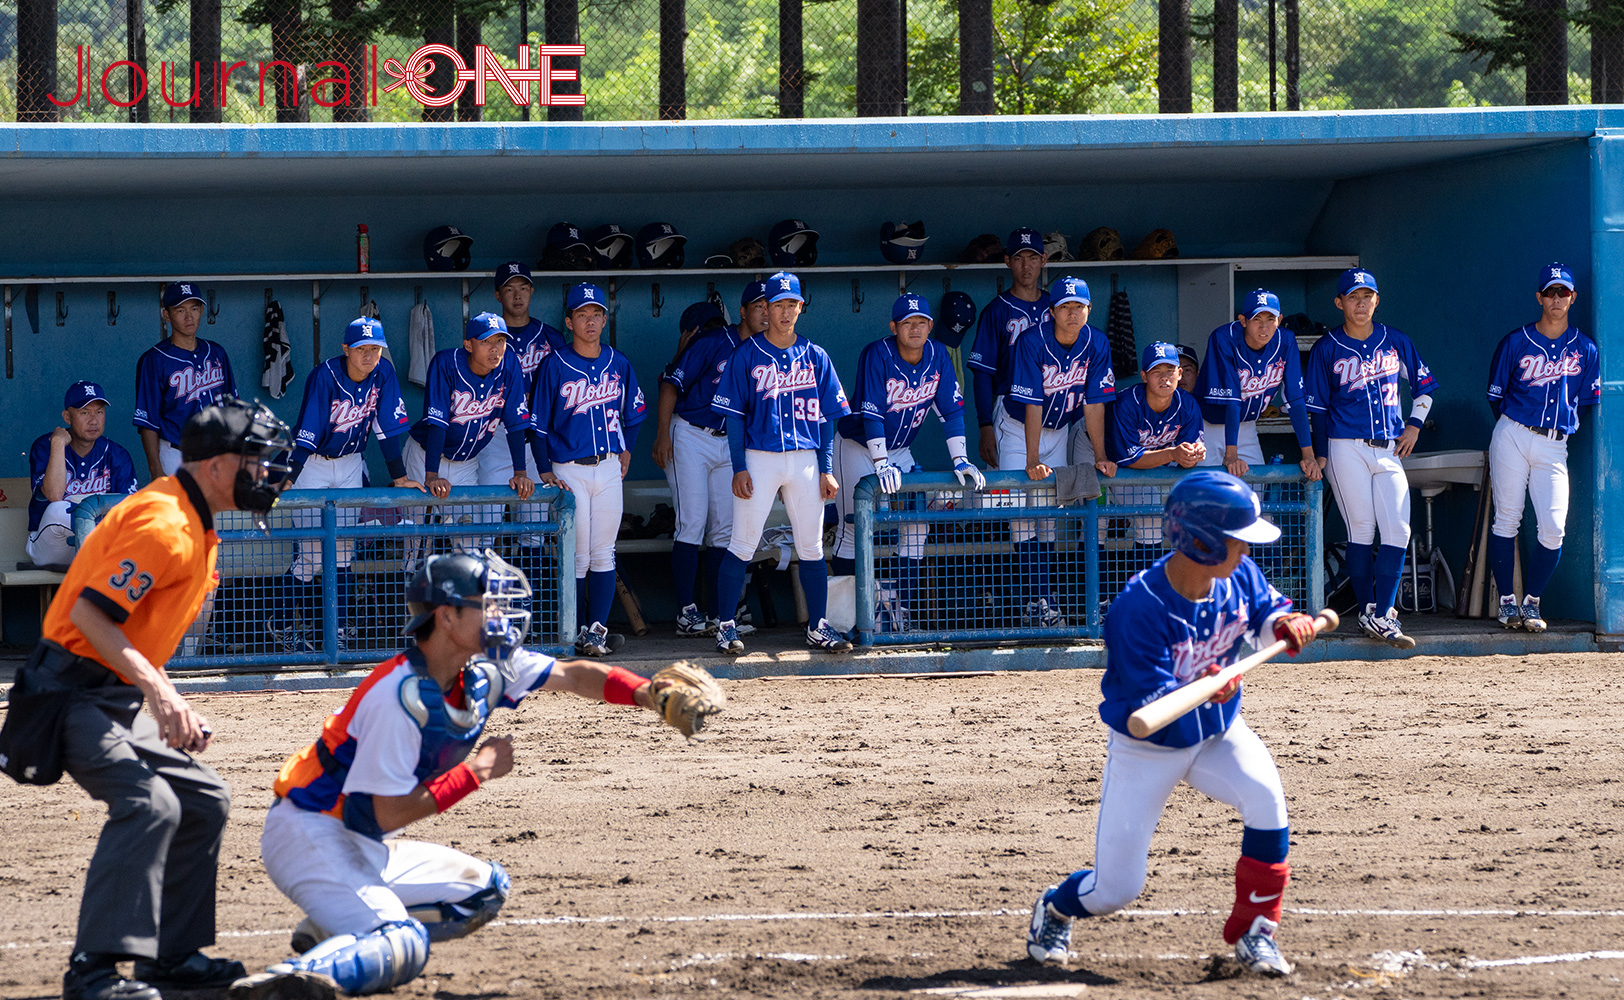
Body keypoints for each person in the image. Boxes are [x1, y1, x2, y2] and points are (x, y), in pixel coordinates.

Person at [244, 549, 688, 999]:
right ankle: (281, 983)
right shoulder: (399, 696)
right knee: (403, 942)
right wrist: (476, 772)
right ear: (447, 616)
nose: (500, 614)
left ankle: (328, 931)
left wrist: (649, 694)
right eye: (487, 604)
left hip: (359, 838)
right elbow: (387, 813)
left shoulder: (483, 668)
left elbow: (574, 675)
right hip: (309, 832)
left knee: (482, 890)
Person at [19, 398, 290, 1000]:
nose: (268, 472)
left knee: (203, 797)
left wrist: (158, 694)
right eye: (256, 460)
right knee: (150, 805)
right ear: (218, 465)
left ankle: (170, 957)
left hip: (110, 693)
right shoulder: (163, 522)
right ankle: (91, 972)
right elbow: (92, 614)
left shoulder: (197, 520)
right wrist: (164, 695)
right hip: (68, 691)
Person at [1024, 471, 1320, 978]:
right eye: (1237, 541)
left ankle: (1256, 934)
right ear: (1202, 542)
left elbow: (1266, 612)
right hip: (1150, 747)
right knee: (1116, 889)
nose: (1246, 552)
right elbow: (1147, 712)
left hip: (1216, 733)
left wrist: (1282, 625)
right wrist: (1204, 684)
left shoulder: (1237, 575)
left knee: (1268, 802)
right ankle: (1055, 909)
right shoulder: (1138, 608)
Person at [709, 271, 852, 654]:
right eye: (778, 304)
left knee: (811, 547)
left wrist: (826, 468)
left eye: (792, 304)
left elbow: (827, 418)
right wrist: (738, 465)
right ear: (765, 309)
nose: (786, 311)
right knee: (742, 543)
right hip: (758, 457)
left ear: (800, 307)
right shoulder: (747, 354)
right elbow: (735, 417)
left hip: (805, 458)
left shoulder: (816, 355)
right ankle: (725, 625)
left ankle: (818, 626)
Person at [266, 317, 422, 654]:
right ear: (346, 349)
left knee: (342, 553)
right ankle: (279, 623)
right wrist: (290, 478)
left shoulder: (383, 373)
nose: (369, 356)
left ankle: (337, 630)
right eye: (362, 349)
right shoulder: (325, 375)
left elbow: (387, 428)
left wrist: (398, 476)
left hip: (351, 462)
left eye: (375, 349)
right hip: (313, 465)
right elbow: (306, 434)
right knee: (310, 556)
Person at [830, 292, 985, 631]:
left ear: (930, 326)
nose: (915, 329)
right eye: (908, 323)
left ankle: (901, 612)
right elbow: (871, 413)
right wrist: (880, 462)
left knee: (916, 524)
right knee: (852, 528)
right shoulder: (877, 353)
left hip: (900, 449)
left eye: (922, 323)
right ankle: (847, 619)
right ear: (894, 327)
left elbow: (951, 411)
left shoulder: (938, 355)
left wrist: (960, 459)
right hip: (857, 446)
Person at [1303, 268, 1438, 649]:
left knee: (1398, 529)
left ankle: (1381, 614)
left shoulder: (1396, 340)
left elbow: (1425, 388)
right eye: (1353, 297)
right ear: (1340, 303)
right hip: (1345, 445)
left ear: (1377, 300)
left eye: (1367, 296)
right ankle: (1370, 611)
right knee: (1361, 529)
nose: (1361, 303)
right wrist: (1319, 455)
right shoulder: (1327, 347)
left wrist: (1414, 424)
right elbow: (1317, 408)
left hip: (1390, 446)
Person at [530, 282, 647, 657]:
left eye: (596, 314)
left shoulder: (619, 362)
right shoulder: (555, 364)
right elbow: (537, 427)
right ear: (569, 321)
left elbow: (635, 413)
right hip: (570, 469)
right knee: (577, 554)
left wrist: (626, 447)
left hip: (609, 467)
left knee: (604, 553)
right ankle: (575, 628)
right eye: (582, 314)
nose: (591, 321)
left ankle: (596, 630)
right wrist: (544, 468)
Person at [1483, 262, 1600, 632]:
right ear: (1539, 297)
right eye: (1550, 292)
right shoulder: (1516, 341)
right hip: (1514, 433)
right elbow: (1495, 397)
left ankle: (1531, 602)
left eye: (1562, 292)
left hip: (1554, 444)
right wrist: (1514, 425)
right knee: (1508, 517)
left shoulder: (1585, 348)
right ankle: (1507, 603)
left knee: (1553, 527)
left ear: (1572, 297)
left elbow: (1584, 402)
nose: (1556, 298)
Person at [653, 284, 769, 636]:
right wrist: (662, 435)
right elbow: (671, 384)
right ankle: (687, 613)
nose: (765, 313)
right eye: (758, 306)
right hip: (691, 433)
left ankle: (721, 614)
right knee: (692, 522)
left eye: (770, 306)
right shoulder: (713, 342)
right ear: (743, 311)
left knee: (723, 530)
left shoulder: (767, 352)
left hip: (728, 443)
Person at [1002, 275, 1116, 627]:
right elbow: (1032, 403)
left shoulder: (1096, 342)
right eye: (1065, 307)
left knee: (1049, 518)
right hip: (1018, 428)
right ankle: (1033, 602)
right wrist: (1032, 458)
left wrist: (1099, 454)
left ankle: (1045, 601)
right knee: (1020, 515)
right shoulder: (1031, 340)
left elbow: (1095, 404)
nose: (1072, 313)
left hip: (1060, 427)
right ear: (1052, 311)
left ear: (1088, 310)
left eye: (1078, 307)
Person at [403, 312, 535, 564]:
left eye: (500, 340)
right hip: (425, 456)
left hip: (466, 462)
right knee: (416, 543)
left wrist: (521, 471)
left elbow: (516, 422)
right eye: (486, 341)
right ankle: (408, 601)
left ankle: (462, 602)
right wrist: (431, 475)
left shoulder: (509, 365)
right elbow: (438, 424)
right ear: (468, 344)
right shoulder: (446, 363)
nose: (495, 349)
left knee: (469, 545)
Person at [482, 261, 567, 576]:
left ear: (531, 291)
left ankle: (530, 606)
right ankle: (484, 609)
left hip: (535, 437)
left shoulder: (551, 338)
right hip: (494, 436)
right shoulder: (485, 338)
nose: (517, 296)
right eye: (509, 289)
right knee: (485, 522)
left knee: (533, 527)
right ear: (497, 295)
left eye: (523, 288)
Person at [1194, 290, 1320, 482]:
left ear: (1280, 319)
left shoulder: (1285, 340)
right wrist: (1231, 455)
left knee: (1256, 492)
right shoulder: (1224, 338)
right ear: (1243, 321)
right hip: (1208, 425)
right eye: (1256, 319)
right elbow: (1233, 400)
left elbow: (1295, 399)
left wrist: (1308, 455)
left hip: (1246, 426)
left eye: (1271, 319)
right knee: (1205, 492)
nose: (1264, 327)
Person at [1106, 342, 1206, 575]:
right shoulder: (1128, 403)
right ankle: (1087, 598)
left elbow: (1187, 453)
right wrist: (1173, 453)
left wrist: (1193, 456)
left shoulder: (1187, 404)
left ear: (1179, 373)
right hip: (1093, 445)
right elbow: (1131, 460)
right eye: (1156, 372)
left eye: (1170, 371)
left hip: (1148, 458)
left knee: (1149, 520)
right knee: (1094, 522)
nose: (1164, 378)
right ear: (1144, 376)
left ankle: (1148, 593)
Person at [133, 282, 238, 481]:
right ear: (167, 315)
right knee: (179, 512)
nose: (189, 317)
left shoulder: (216, 353)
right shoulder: (154, 359)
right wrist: (155, 469)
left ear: (202, 311)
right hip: (176, 453)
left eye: (194, 308)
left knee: (219, 513)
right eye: (180, 310)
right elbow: (148, 421)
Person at [27, 381, 138, 568]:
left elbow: (129, 509)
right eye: (84, 412)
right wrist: (58, 445)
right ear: (67, 417)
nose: (93, 420)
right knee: (57, 509)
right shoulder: (46, 447)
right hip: (52, 545)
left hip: (99, 544)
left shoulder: (117, 455)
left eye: (99, 412)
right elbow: (54, 495)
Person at [966, 228, 1051, 467]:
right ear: (1007, 261)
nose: (1026, 266)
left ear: (1043, 261)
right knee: (1009, 500)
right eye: (1018, 258)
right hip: (1010, 410)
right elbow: (982, 374)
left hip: (1053, 412)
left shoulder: (1056, 308)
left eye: (1033, 258)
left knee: (1054, 500)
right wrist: (985, 426)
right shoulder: (997, 310)